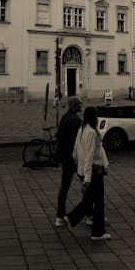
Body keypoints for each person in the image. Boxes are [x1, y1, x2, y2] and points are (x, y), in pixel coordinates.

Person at [64, 106, 111, 241]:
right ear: (93, 117)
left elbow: (76, 149)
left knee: (91, 199)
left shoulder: (82, 129)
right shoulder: (92, 132)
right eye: (96, 115)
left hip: (84, 170)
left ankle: (73, 218)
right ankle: (97, 232)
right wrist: (87, 178)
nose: (97, 118)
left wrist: (78, 167)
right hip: (94, 171)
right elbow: (90, 156)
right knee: (99, 201)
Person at [54, 96, 83, 227]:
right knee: (87, 184)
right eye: (79, 103)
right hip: (73, 158)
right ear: (73, 106)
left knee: (64, 187)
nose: (81, 105)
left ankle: (60, 216)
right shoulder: (74, 120)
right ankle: (89, 215)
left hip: (65, 157)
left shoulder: (66, 116)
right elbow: (76, 141)